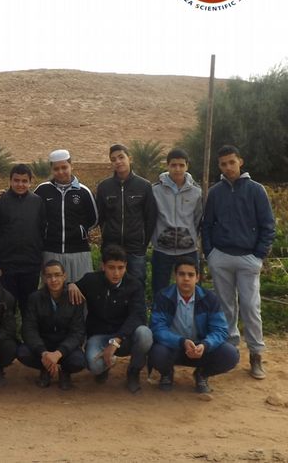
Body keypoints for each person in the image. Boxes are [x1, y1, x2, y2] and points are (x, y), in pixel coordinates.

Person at [202, 145, 276, 379]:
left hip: (248, 258)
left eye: (231, 162)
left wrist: (258, 255)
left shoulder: (256, 190)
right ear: (219, 166)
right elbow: (207, 224)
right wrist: (210, 253)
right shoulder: (215, 192)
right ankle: (229, 351)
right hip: (221, 256)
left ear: (240, 162)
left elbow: (268, 225)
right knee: (225, 308)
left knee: (250, 307)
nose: (228, 167)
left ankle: (256, 354)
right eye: (223, 164)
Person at [68, 244, 152, 393]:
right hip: (99, 336)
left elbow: (137, 316)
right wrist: (70, 285)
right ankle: (105, 367)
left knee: (145, 334)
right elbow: (70, 288)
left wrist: (116, 341)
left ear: (126, 266)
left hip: (124, 337)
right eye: (111, 267)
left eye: (121, 268)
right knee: (94, 366)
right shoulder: (91, 280)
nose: (116, 273)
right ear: (103, 266)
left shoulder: (134, 285)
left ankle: (133, 372)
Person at [150, 257, 239, 395]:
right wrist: (182, 342)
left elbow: (220, 330)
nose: (186, 278)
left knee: (230, 354)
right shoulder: (163, 296)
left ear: (197, 278)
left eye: (190, 275)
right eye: (181, 274)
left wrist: (205, 345)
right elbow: (157, 328)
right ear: (175, 276)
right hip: (174, 347)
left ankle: (202, 374)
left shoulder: (210, 298)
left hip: (201, 349)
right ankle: (167, 373)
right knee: (156, 353)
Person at [17, 260, 86, 390]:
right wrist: (43, 353)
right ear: (44, 278)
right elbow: (28, 329)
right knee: (23, 352)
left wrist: (59, 353)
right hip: (44, 345)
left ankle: (64, 372)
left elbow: (78, 332)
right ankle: (46, 369)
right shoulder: (35, 298)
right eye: (49, 276)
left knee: (79, 361)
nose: (53, 280)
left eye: (57, 275)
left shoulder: (74, 297)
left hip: (65, 347)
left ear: (64, 276)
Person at [95, 144, 157, 286]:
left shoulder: (144, 186)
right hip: (111, 247)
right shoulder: (104, 187)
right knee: (110, 285)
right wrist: (107, 237)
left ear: (130, 158)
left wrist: (143, 243)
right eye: (113, 159)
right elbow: (101, 217)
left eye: (121, 157)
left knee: (136, 285)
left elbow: (150, 217)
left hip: (135, 248)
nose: (118, 161)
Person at [0, 163, 47, 314]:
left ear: (30, 182)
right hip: (6, 265)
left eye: (24, 181)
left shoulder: (37, 202)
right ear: (10, 181)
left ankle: (29, 330)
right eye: (16, 180)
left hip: (31, 264)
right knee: (7, 307)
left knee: (29, 307)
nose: (20, 184)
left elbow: (41, 230)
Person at [35, 149, 98, 283]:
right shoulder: (42, 190)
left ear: (71, 166)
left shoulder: (83, 191)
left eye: (64, 167)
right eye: (56, 169)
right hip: (51, 251)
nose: (61, 172)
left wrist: (80, 230)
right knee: (53, 289)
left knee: (81, 289)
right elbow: (32, 211)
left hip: (78, 251)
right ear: (51, 170)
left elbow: (94, 218)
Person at [151, 148, 203, 298]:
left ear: (187, 166)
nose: (177, 169)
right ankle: (161, 313)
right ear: (167, 166)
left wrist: (190, 237)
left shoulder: (196, 192)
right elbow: (151, 217)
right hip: (162, 250)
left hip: (188, 250)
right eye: (173, 165)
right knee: (160, 290)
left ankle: (189, 314)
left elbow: (198, 218)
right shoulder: (155, 190)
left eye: (181, 165)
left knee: (190, 290)